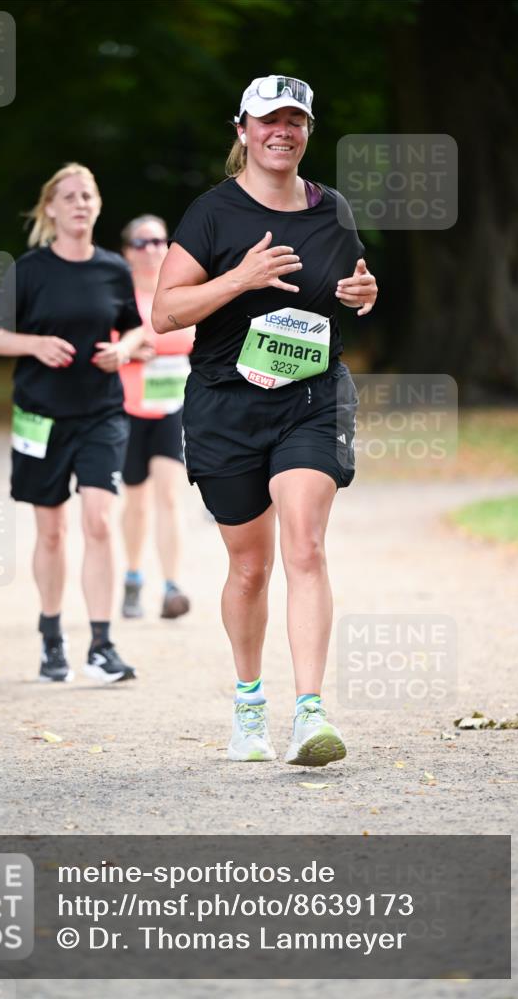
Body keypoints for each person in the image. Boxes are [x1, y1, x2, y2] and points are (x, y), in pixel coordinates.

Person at [152, 76, 378, 766]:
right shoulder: (212, 213)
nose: (281, 131)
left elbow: (349, 287)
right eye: (267, 120)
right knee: (247, 567)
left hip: (309, 400)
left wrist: (364, 294)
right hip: (225, 405)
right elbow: (164, 313)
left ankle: (309, 712)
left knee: (303, 545)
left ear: (307, 131)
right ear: (242, 130)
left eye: (294, 120)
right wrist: (238, 280)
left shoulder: (331, 209)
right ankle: (249, 702)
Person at [0, 163, 147, 684]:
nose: (81, 203)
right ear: (51, 209)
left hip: (101, 412)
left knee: (99, 520)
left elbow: (136, 332)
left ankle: (102, 645)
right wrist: (33, 343)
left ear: (97, 206)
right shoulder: (30, 270)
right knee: (52, 531)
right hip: (40, 414)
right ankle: (51, 637)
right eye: (70, 196)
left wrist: (122, 349)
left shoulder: (112, 269)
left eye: (88, 195)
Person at [118, 214, 194, 620]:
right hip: (128, 409)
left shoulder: (181, 291)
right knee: (136, 502)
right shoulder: (119, 296)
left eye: (157, 241)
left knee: (167, 494)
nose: (150, 249)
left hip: (172, 407)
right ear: (127, 252)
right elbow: (98, 345)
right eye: (141, 242)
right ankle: (132, 576)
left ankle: (171, 586)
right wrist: (128, 350)